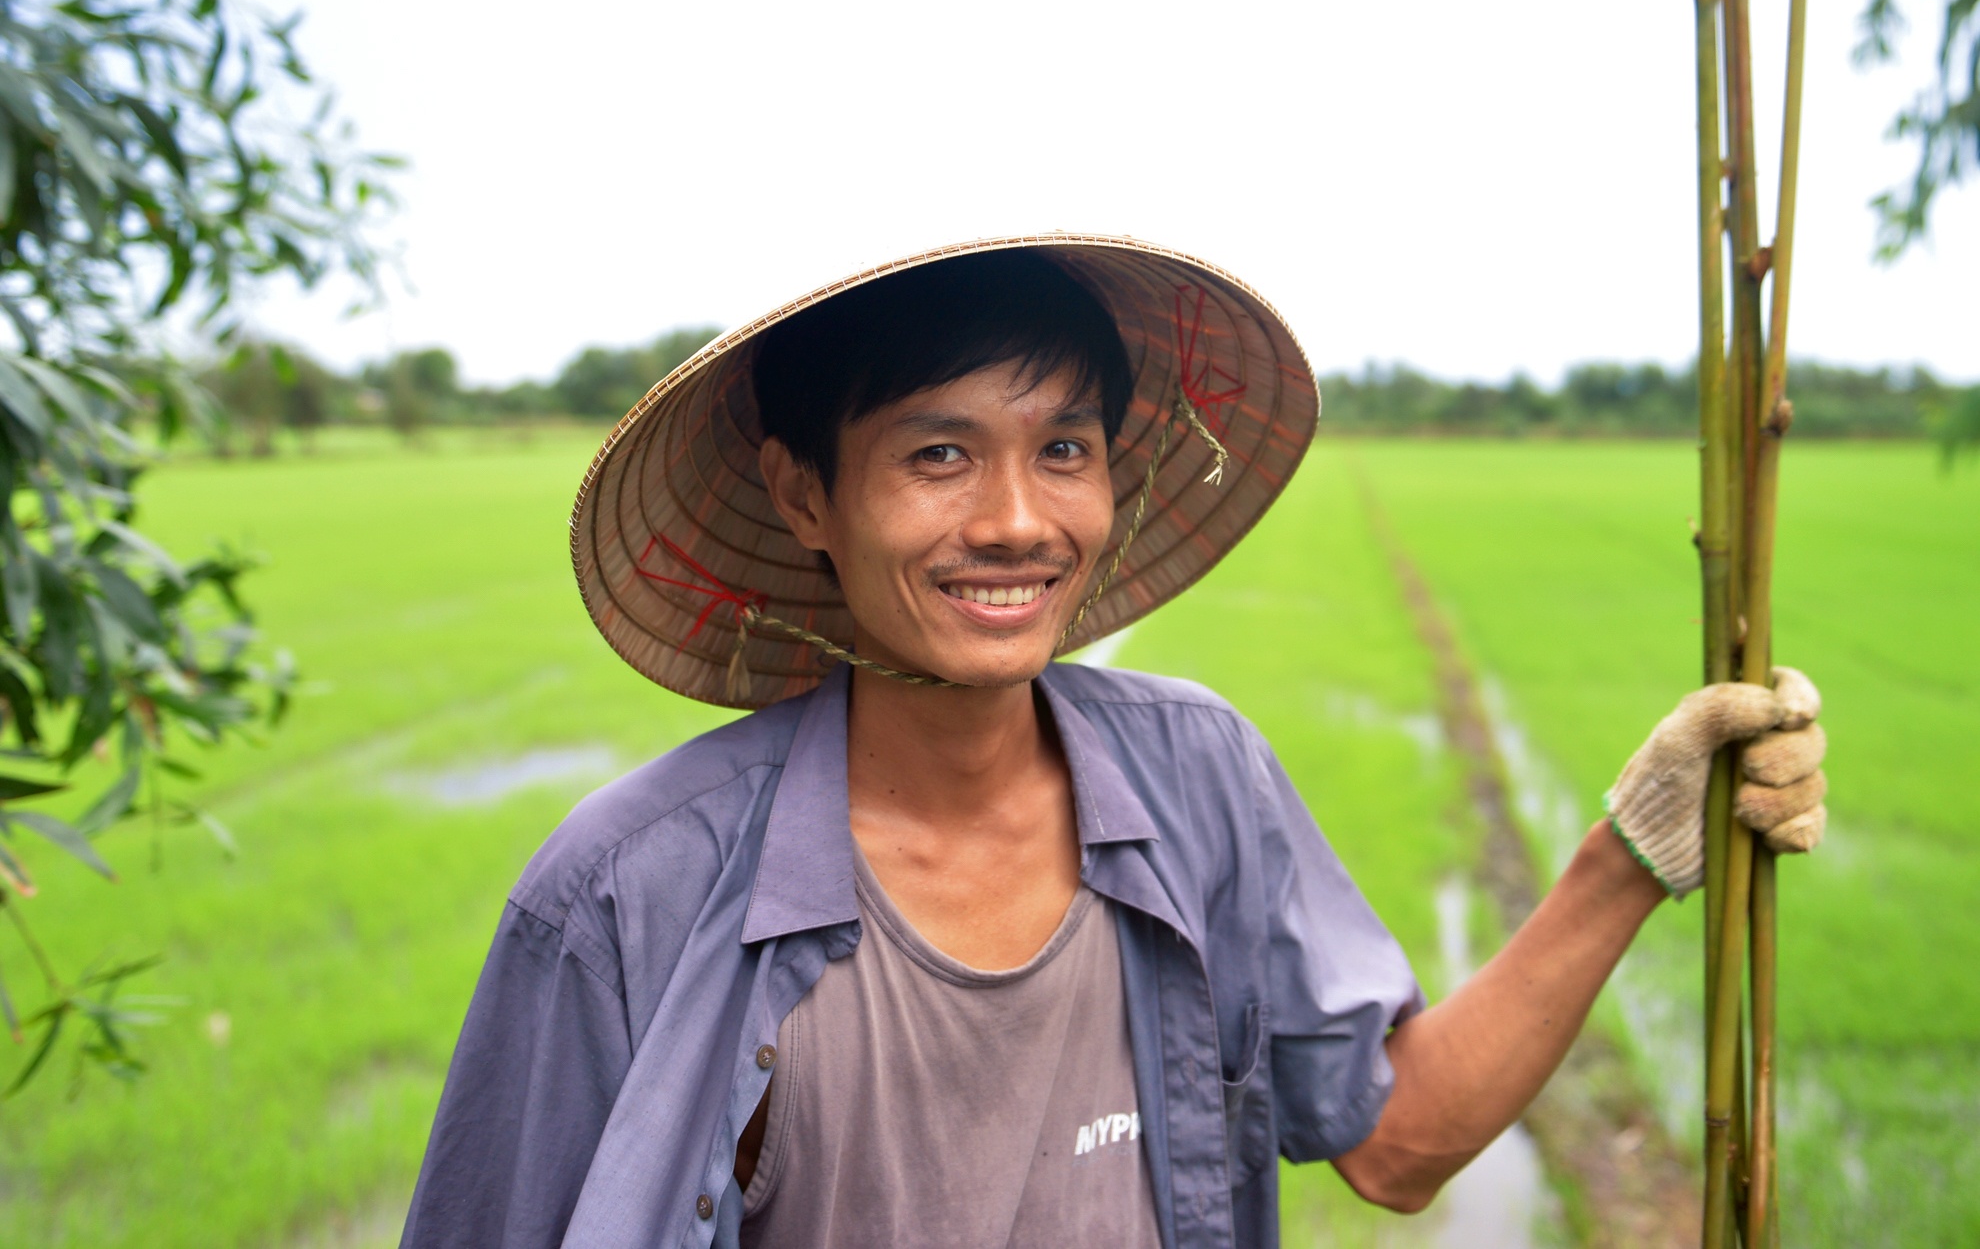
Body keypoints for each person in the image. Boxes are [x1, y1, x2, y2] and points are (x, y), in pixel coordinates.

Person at [398, 238, 1829, 1249]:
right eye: (938, 452)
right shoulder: (623, 896)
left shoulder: (1195, 782)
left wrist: (1632, 853)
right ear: (804, 493)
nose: (1020, 518)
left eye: (1064, 447)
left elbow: (1394, 1142)